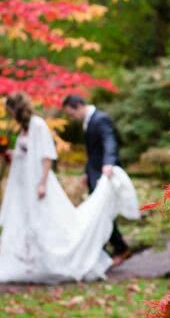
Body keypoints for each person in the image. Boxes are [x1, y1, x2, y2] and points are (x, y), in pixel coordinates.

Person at [0, 92, 140, 284]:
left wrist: (42, 183)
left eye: (11, 112)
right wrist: (12, 154)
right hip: (26, 184)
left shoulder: (39, 125)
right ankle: (32, 261)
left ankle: (110, 250)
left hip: (40, 183)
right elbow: (29, 154)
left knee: (49, 222)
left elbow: (47, 155)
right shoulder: (24, 129)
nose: (10, 116)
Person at [62, 95, 130, 264]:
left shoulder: (100, 119)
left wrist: (108, 163)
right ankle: (108, 250)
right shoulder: (89, 121)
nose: (72, 118)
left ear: (78, 105)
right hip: (94, 174)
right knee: (100, 212)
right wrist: (87, 172)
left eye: (71, 113)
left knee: (103, 211)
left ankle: (119, 248)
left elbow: (109, 142)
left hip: (104, 174)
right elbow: (92, 152)